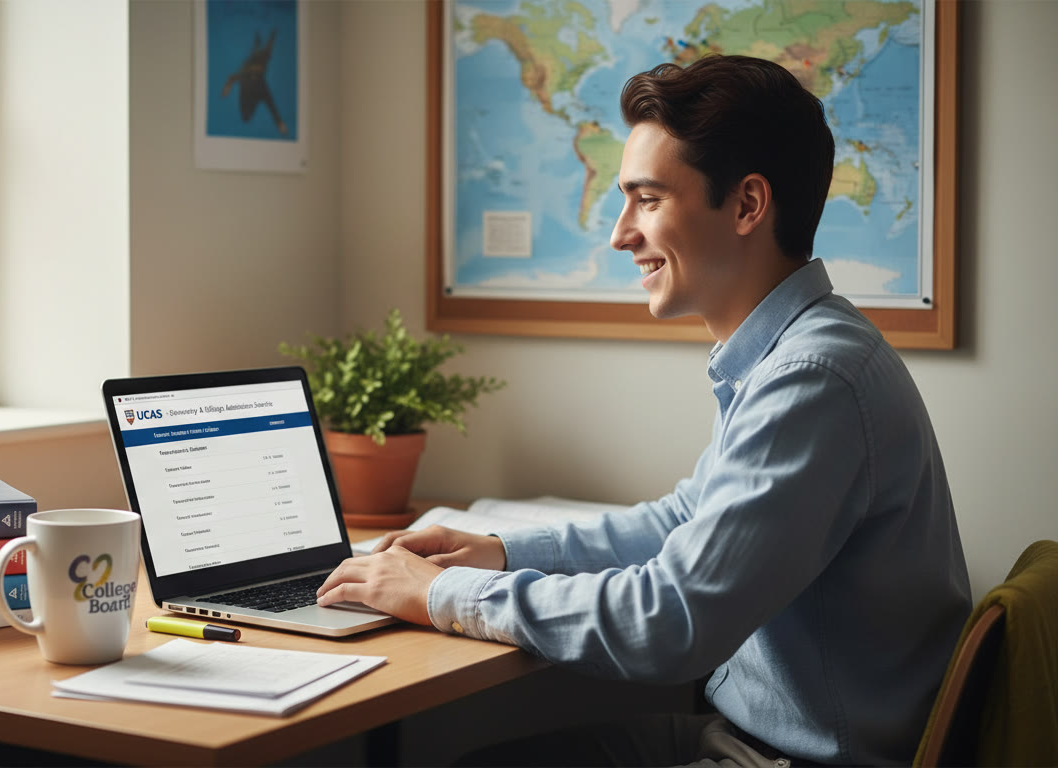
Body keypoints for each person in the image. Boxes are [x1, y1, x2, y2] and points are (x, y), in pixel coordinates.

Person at [316, 54, 971, 766]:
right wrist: (501, 552)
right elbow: (685, 522)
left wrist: (444, 592)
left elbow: (671, 621)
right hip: (745, 736)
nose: (619, 234)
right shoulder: (795, 353)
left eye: (648, 199)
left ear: (748, 205)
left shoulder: (813, 378)